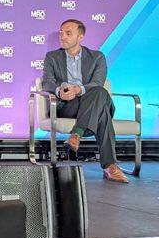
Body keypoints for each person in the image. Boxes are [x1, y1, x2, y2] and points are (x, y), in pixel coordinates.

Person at [41, 19, 128, 183]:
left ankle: (76, 134)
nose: (63, 37)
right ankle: (110, 166)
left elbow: (97, 82)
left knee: (99, 92)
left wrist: (79, 89)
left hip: (92, 98)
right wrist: (60, 92)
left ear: (80, 36)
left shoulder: (97, 57)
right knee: (102, 110)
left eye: (68, 33)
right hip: (69, 105)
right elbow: (47, 82)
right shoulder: (52, 57)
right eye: (61, 32)